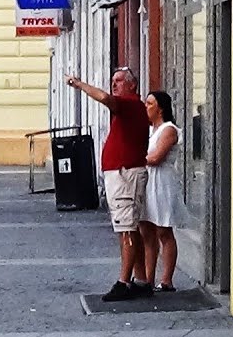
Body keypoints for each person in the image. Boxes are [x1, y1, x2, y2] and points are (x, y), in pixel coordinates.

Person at [65, 67, 152, 302]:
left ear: (132, 85)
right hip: (121, 173)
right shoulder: (129, 107)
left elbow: (105, 98)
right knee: (129, 226)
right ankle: (141, 279)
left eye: (120, 81)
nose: (115, 85)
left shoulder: (130, 104)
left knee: (126, 228)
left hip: (125, 175)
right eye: (113, 80)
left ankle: (124, 282)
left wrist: (79, 84)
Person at [142, 91, 184, 292]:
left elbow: (156, 157)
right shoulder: (150, 130)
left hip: (162, 182)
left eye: (149, 103)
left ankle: (166, 279)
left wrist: (134, 156)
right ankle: (148, 279)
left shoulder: (169, 130)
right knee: (147, 231)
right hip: (148, 182)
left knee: (163, 230)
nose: (146, 107)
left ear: (160, 108)